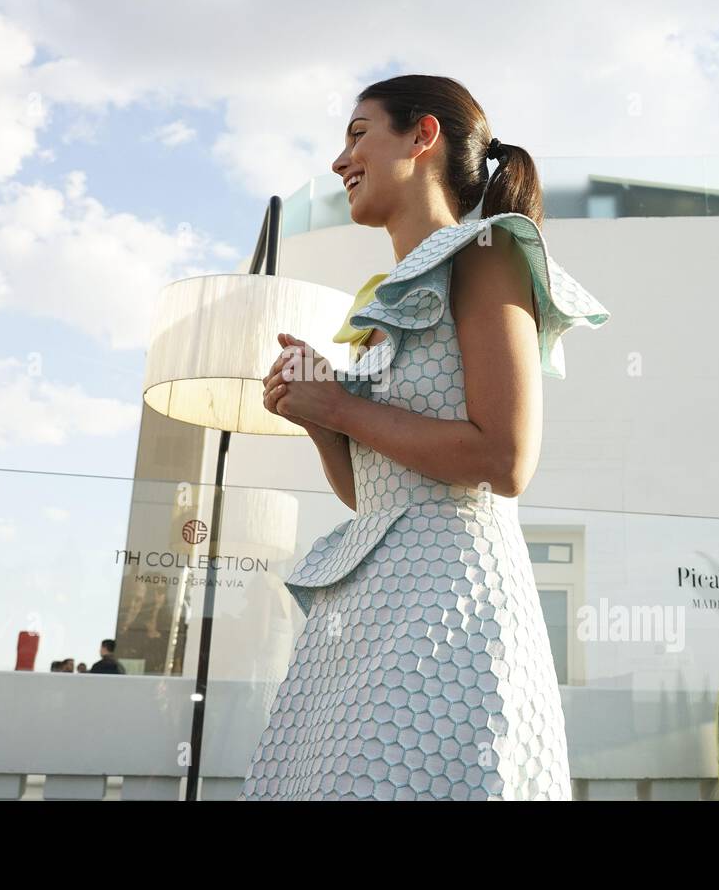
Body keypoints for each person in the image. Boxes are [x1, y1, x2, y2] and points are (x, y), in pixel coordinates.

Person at [241, 75, 610, 800]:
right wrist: (320, 415)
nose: (342, 161)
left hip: (452, 605)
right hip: (369, 605)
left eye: (357, 134)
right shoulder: (380, 303)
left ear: (423, 136)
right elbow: (371, 489)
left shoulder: (488, 251)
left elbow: (504, 461)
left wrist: (341, 409)